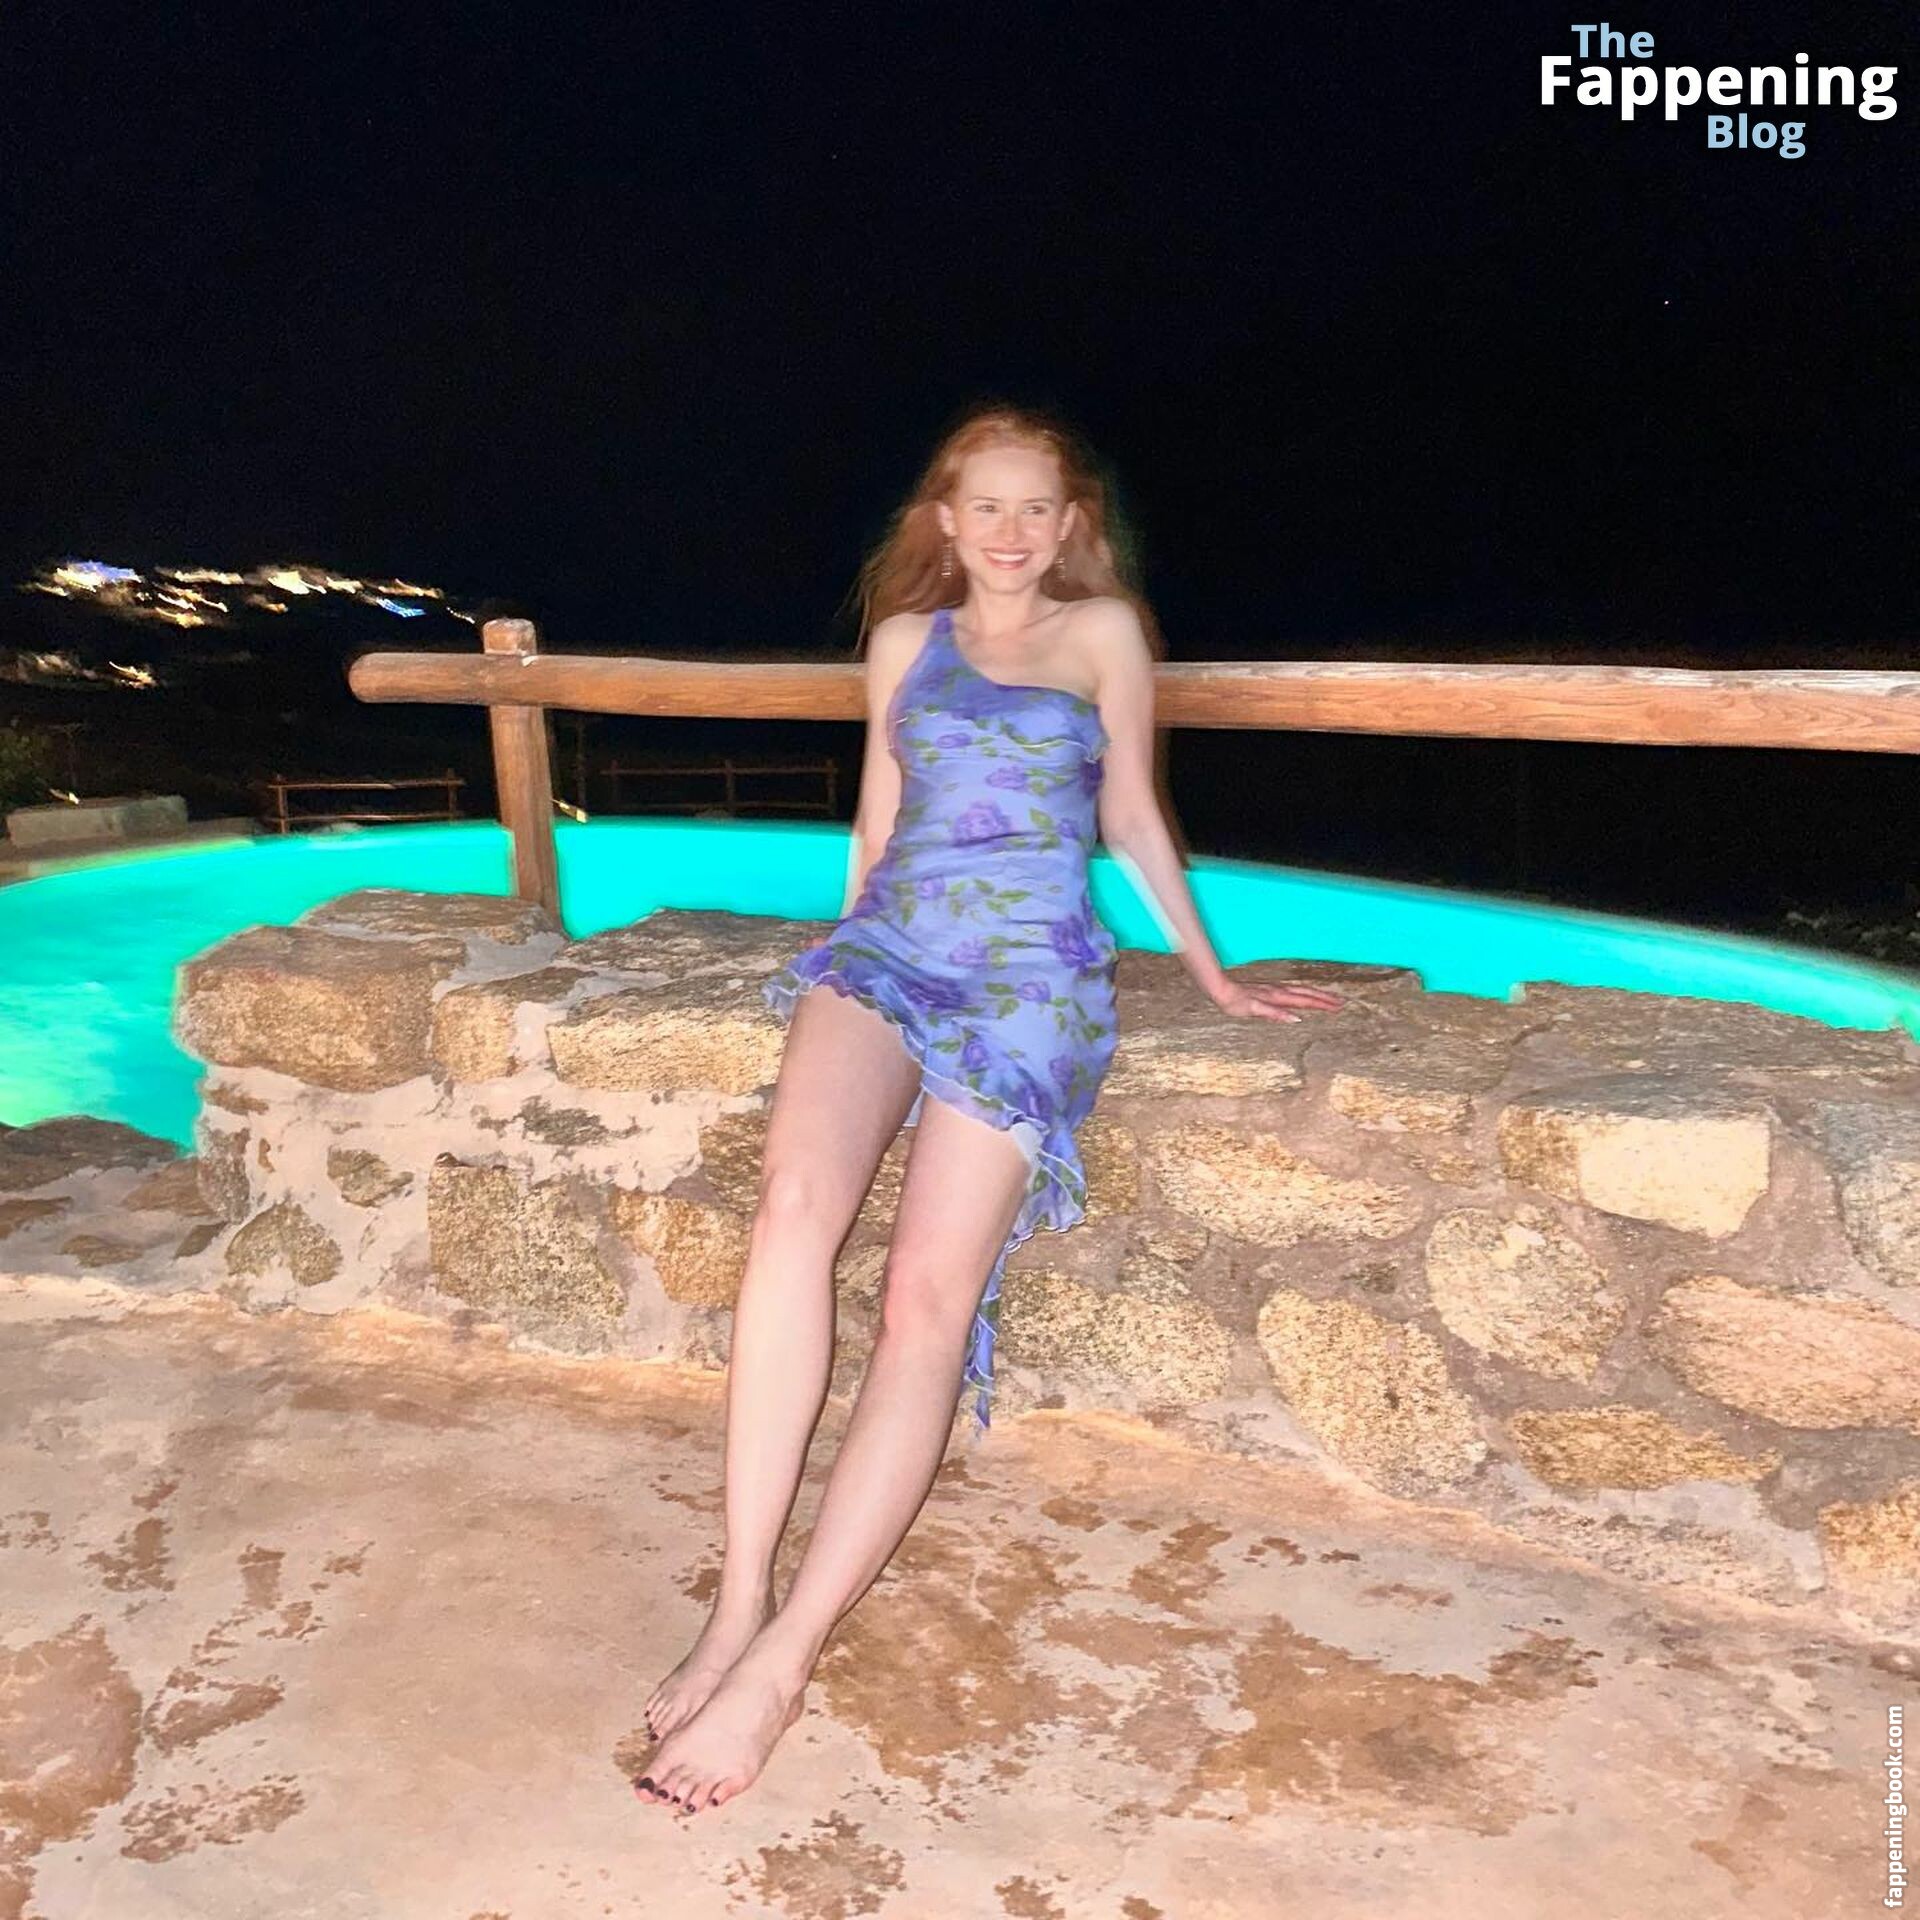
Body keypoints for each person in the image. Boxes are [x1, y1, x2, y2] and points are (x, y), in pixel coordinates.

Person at [633, 404, 1344, 1816]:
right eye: (988, 507)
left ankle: (784, 1659)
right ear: (945, 523)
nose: (1013, 532)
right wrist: (850, 957)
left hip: (1028, 980)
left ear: (1070, 524)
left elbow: (1131, 814)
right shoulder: (905, 641)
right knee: (789, 1217)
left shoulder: (1104, 634)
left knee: (924, 1298)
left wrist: (1211, 971)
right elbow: (876, 823)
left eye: (1037, 509)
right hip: (890, 954)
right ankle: (737, 1599)